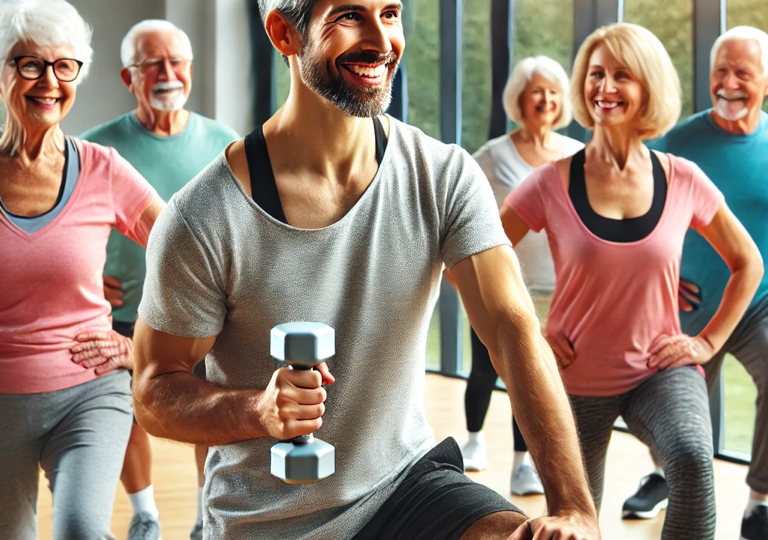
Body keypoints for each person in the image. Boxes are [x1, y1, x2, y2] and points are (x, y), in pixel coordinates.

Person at [130, 0, 602, 538]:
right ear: (285, 33)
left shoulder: (443, 176)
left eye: (391, 13)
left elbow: (510, 328)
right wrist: (255, 409)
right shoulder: (203, 217)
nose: (381, 39)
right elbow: (153, 390)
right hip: (267, 519)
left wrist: (572, 508)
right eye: (350, 15)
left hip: (406, 484)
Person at [501, 23, 763, 540]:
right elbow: (479, 256)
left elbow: (747, 262)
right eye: (596, 75)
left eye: (621, 75)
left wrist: (707, 341)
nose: (605, 88)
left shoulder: (681, 177)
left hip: (659, 370)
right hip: (574, 377)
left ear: (648, 87)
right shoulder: (552, 181)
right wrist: (531, 334)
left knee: (691, 458)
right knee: (574, 519)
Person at [0, 1, 164, 539]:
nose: (48, 80)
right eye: (29, 63)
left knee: (82, 530)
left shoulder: (102, 169)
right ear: (5, 69)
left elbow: (186, 249)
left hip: (90, 390)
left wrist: (139, 345)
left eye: (63, 65)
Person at [79, 19, 239, 540]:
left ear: (189, 70)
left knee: (207, 413)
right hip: (124, 311)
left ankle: (201, 516)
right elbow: (71, 228)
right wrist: (85, 275)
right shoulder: (95, 150)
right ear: (129, 78)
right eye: (153, 65)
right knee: (127, 414)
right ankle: (145, 514)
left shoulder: (226, 146)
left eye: (177, 63)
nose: (168, 74)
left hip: (205, 313)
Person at [622, 25, 768, 540]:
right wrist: (656, 280)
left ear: (766, 81)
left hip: (757, 302)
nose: (729, 83)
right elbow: (635, 210)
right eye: (719, 73)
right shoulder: (679, 142)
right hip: (688, 299)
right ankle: (665, 474)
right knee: (676, 399)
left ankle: (758, 501)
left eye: (742, 73)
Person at [461, 55, 584, 497]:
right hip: (500, 286)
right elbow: (469, 215)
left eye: (553, 92)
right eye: (537, 92)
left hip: (561, 291)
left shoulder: (575, 155)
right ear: (520, 99)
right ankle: (473, 440)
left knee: (531, 373)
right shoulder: (493, 156)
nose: (546, 100)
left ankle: (523, 463)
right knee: (484, 369)